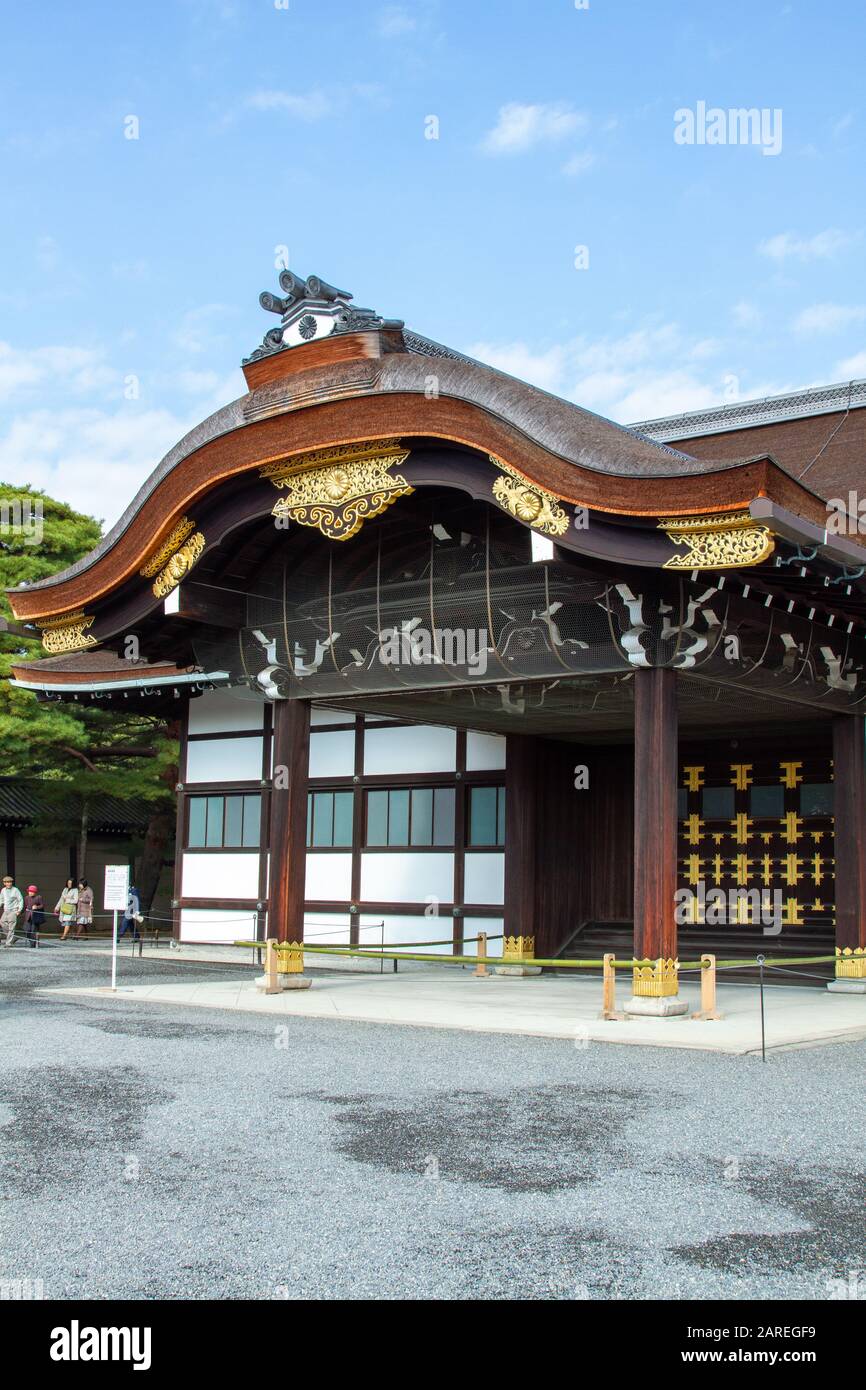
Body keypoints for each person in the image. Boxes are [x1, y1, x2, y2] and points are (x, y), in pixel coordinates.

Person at [1, 875, 24, 947]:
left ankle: (8, 943)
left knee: (11, 927)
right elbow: (1, 899)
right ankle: (13, 937)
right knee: (2, 922)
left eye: (10, 882)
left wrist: (19, 910)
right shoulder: (3, 890)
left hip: (13, 910)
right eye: (7, 882)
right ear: (4, 883)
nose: (9, 883)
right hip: (6, 911)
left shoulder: (15, 890)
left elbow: (20, 900)